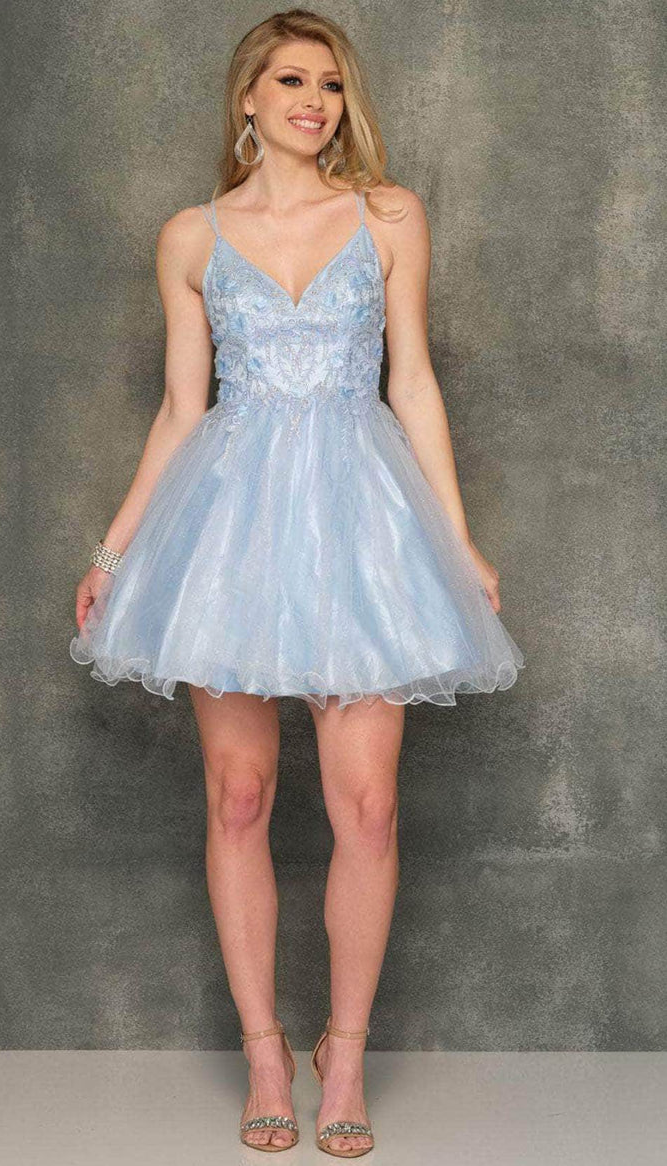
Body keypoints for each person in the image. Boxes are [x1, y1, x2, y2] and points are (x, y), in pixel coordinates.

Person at [70, 8, 525, 1157]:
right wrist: (114, 554)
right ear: (249, 98)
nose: (313, 100)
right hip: (228, 530)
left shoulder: (388, 215)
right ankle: (266, 1051)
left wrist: (457, 541)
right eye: (289, 80)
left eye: (328, 83)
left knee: (366, 804)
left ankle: (346, 1053)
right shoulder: (191, 237)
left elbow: (412, 382)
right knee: (237, 794)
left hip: (364, 524)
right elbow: (182, 410)